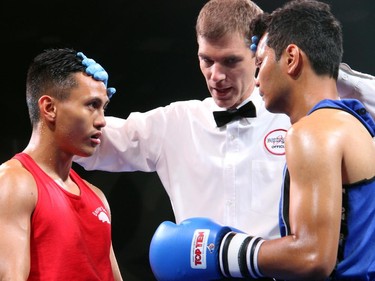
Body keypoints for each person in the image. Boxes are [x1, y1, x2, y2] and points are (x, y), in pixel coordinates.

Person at [75, 0, 375, 241]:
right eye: (207, 60)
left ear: (259, 53)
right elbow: (85, 143)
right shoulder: (174, 122)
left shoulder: (296, 115)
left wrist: (327, 68)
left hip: (283, 272)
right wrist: (77, 94)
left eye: (231, 61)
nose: (216, 76)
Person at [149, 0, 375, 280]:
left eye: (260, 62)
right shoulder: (355, 121)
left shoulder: (312, 133)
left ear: (291, 59)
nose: (256, 79)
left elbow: (312, 257)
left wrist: (217, 251)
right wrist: (320, 58)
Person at [0, 48, 123, 280]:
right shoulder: (13, 183)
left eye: (103, 107)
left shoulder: (97, 197)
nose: (102, 121)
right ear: (49, 108)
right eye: (91, 105)